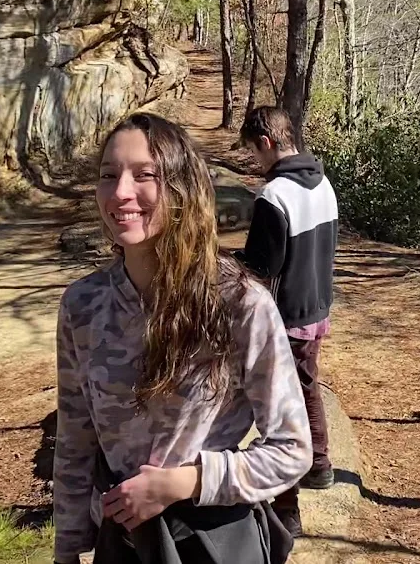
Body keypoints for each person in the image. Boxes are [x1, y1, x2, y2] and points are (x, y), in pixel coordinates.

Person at [52, 113, 312, 564]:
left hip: (212, 541)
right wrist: (67, 549)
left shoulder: (238, 303)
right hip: (124, 543)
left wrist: (181, 483)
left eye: (144, 175)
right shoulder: (83, 304)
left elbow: (292, 450)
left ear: (181, 188)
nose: (120, 192)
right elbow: (75, 441)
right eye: (108, 175)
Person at [234, 106, 340, 537]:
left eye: (253, 153)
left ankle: (287, 508)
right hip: (317, 307)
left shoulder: (274, 195)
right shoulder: (323, 182)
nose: (255, 162)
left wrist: (228, 261)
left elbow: (263, 265)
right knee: (307, 385)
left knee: (278, 407)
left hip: (283, 316)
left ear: (266, 143)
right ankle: (320, 465)